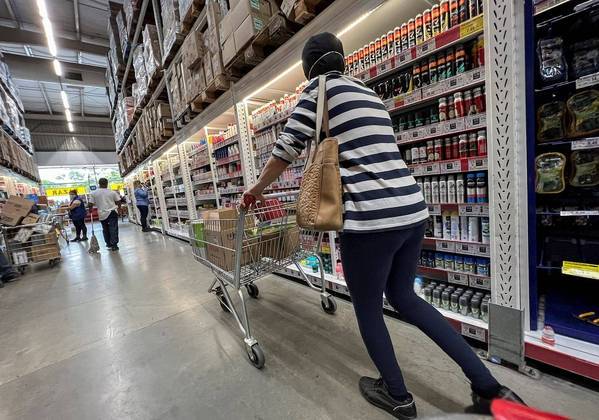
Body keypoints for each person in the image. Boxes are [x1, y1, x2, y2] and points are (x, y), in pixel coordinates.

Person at [242, 32, 523, 419]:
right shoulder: (369, 93)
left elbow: (285, 150)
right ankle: (490, 387)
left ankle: (398, 396)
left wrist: (255, 190)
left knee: (368, 309)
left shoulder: (317, 91)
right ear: (341, 59)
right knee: (406, 297)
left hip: (371, 221)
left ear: (309, 68)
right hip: (412, 212)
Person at [89, 178, 121, 251]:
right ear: (107, 183)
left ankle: (108, 243)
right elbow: (118, 201)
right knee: (113, 228)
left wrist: (90, 209)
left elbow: (90, 203)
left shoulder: (94, 193)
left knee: (105, 229)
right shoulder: (112, 192)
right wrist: (119, 209)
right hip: (112, 212)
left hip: (102, 213)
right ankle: (114, 245)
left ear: (99, 183)